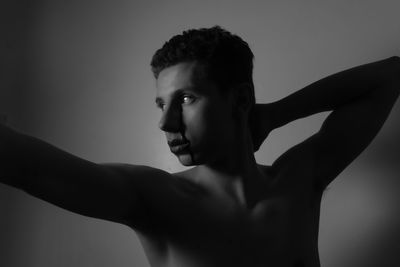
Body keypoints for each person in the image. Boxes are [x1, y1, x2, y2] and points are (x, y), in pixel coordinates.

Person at [0, 26, 399, 267]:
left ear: (240, 100)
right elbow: (26, 167)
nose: (166, 122)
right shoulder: (155, 199)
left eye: (186, 99)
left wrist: (275, 114)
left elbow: (390, 75)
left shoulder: (298, 181)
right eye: (161, 104)